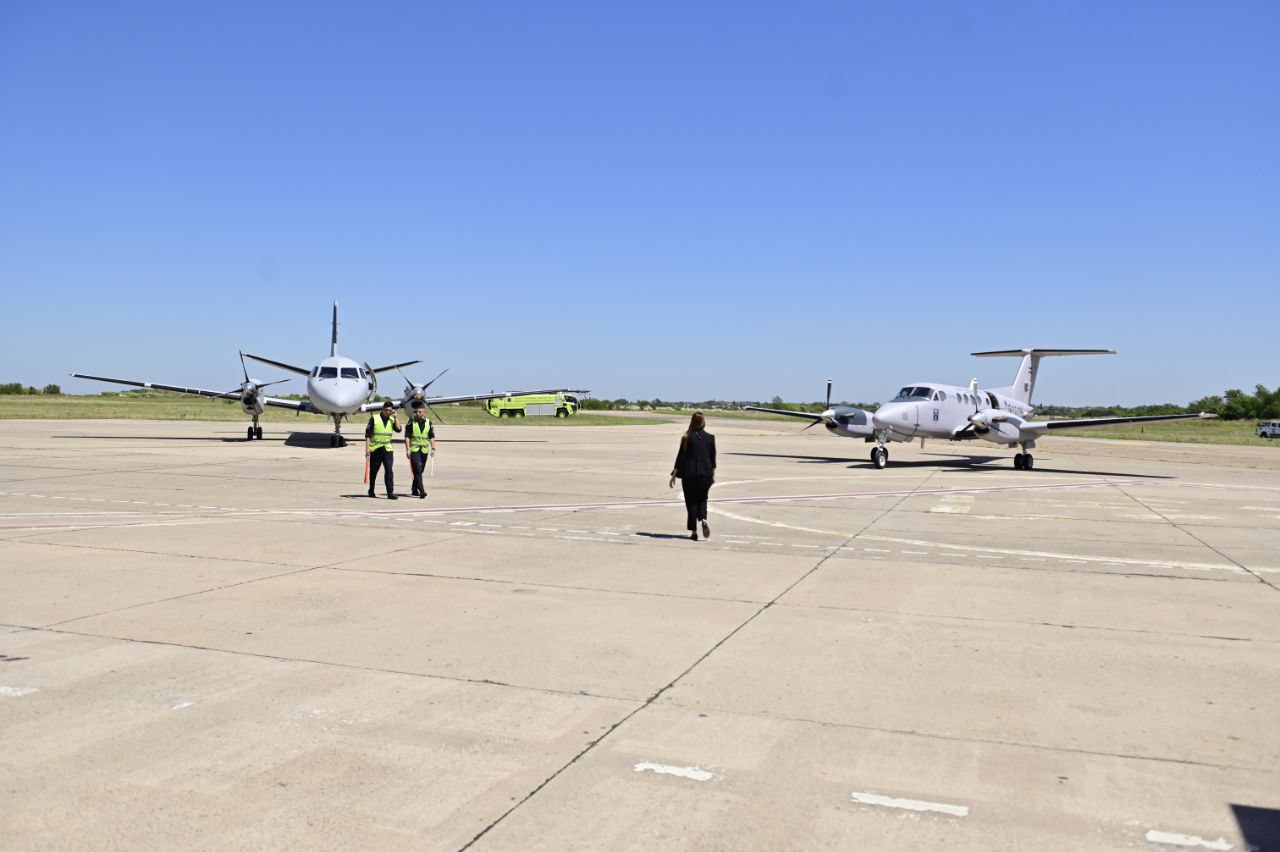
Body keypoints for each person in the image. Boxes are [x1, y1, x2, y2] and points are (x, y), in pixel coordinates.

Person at [669, 412, 716, 540]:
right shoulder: (710, 438)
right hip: (705, 474)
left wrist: (674, 475)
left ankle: (694, 532)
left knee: (691, 502)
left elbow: (681, 457)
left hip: (689, 474)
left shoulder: (686, 437)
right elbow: (713, 460)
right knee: (703, 499)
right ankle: (704, 519)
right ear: (702, 422)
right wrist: (712, 476)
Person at [365, 401, 402, 499]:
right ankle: (371, 489)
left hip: (387, 449)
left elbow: (399, 429)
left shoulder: (392, 419)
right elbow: (368, 434)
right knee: (373, 471)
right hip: (376, 449)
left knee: (389, 471)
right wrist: (367, 447)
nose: (388, 412)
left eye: (390, 410)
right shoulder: (374, 418)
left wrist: (396, 417)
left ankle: (390, 492)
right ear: (383, 409)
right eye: (386, 410)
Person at [404, 402, 436, 499]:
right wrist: (408, 449)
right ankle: (422, 491)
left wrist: (433, 448)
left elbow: (431, 436)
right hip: (414, 450)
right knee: (417, 470)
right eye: (416, 412)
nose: (417, 413)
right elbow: (407, 437)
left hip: (424, 450)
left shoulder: (428, 423)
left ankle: (414, 489)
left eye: (420, 412)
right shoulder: (411, 423)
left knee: (420, 471)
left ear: (424, 413)